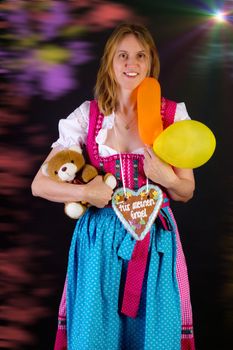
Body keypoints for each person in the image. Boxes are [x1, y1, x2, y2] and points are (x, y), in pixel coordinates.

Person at [31, 23, 196, 350]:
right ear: (110, 62)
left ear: (150, 63)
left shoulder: (172, 115)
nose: (131, 63)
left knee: (154, 336)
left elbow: (186, 191)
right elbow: (40, 184)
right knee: (96, 336)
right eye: (122, 55)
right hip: (98, 242)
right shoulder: (86, 116)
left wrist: (166, 178)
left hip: (153, 241)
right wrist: (85, 193)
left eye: (139, 56)